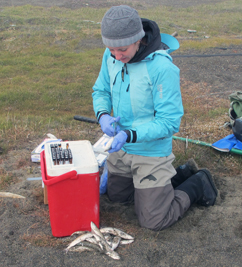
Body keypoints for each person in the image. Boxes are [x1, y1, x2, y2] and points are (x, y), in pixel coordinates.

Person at [92, 5, 218, 231]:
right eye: (111, 50)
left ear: (138, 39)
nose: (117, 57)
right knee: (118, 198)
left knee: (153, 220)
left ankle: (197, 183)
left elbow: (169, 122)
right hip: (120, 149)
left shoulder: (162, 68)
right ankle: (175, 177)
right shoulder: (110, 56)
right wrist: (102, 115)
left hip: (150, 151)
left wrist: (130, 134)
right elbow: (100, 90)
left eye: (122, 50)